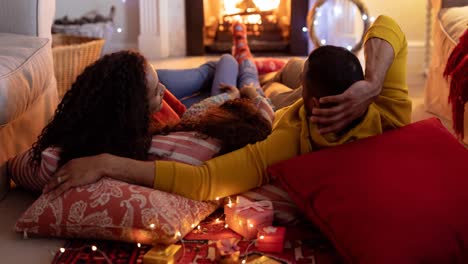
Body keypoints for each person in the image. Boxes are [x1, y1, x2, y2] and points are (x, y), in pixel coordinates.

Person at [43, 15, 412, 201]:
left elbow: (205, 181)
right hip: (266, 100)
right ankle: (257, 59)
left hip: (264, 104)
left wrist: (108, 162)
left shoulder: (288, 143)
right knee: (281, 70)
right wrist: (374, 82)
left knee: (251, 76)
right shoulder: (390, 109)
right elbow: (387, 25)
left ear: (313, 101)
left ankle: (248, 56)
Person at [7, 48, 274, 194]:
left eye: (158, 86)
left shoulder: (67, 152)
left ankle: (241, 61)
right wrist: (247, 94)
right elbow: (261, 115)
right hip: (211, 107)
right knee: (231, 66)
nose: (163, 91)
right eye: (155, 91)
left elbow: (14, 166)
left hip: (195, 107)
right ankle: (247, 61)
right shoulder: (171, 143)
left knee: (216, 69)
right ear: (134, 109)